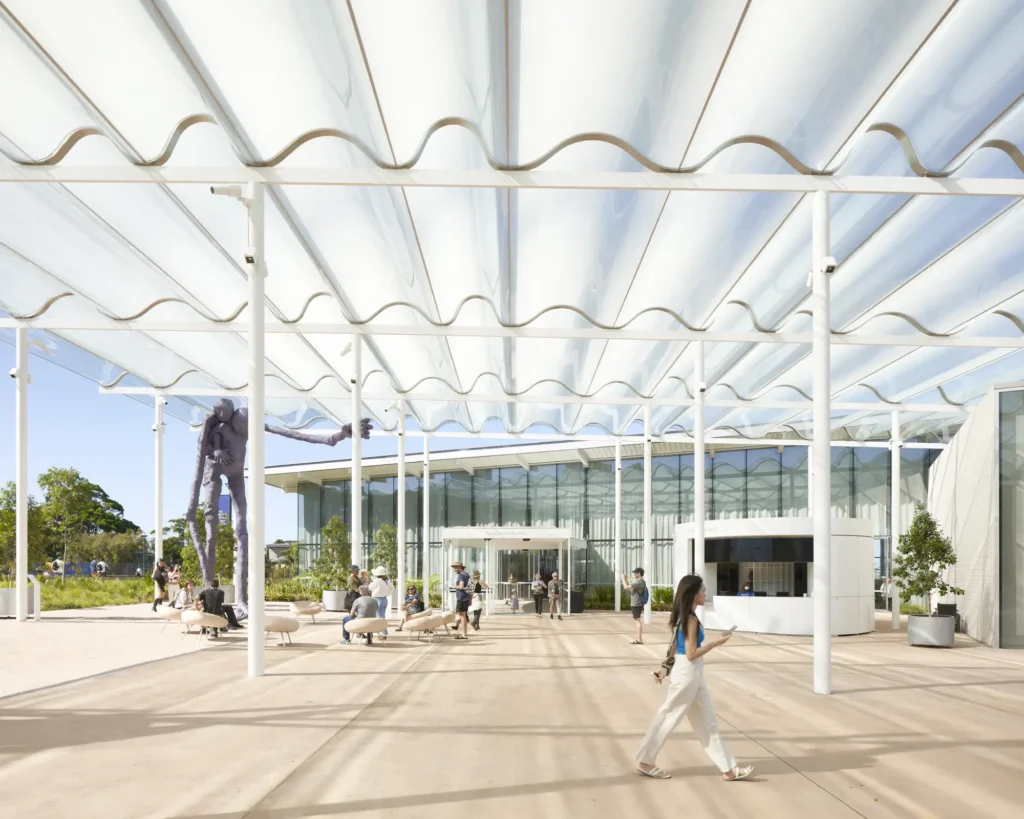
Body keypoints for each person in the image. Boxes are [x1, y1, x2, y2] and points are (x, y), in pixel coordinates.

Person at [635, 574, 753, 782]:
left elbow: (673, 645)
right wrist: (717, 643)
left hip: (690, 672)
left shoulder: (683, 615)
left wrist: (664, 669)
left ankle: (728, 768)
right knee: (669, 715)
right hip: (688, 672)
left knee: (707, 722)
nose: (705, 593)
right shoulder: (690, 619)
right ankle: (646, 761)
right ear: (693, 593)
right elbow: (691, 653)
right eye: (703, 590)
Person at [623, 568, 648, 644]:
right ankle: (639, 639)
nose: (634, 574)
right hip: (636, 603)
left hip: (637, 603)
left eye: (635, 573)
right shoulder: (637, 582)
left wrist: (622, 579)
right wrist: (625, 579)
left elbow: (626, 587)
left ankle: (639, 640)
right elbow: (629, 586)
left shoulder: (640, 582)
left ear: (639, 574)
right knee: (637, 620)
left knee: (637, 621)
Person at [370, 567, 395, 641]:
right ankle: (383, 633)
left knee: (379, 617)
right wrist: (387, 593)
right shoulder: (386, 580)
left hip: (378, 600)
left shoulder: (377, 580)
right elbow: (392, 588)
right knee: (382, 617)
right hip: (384, 599)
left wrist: (371, 583)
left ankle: (382, 635)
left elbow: (370, 588)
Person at [452, 561, 471, 639]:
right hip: (465, 597)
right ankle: (464, 633)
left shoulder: (461, 576)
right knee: (463, 616)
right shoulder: (466, 575)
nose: (454, 569)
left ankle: (464, 634)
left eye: (455, 568)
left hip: (461, 598)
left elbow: (461, 586)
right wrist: (470, 599)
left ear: (460, 567)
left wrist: (454, 587)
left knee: (462, 616)